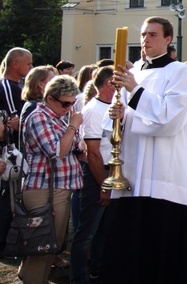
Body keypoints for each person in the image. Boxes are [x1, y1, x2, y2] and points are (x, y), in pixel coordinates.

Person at [101, 16, 187, 283]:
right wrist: (118, 114)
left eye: (153, 35)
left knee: (158, 243)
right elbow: (129, 121)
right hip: (132, 168)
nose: (145, 40)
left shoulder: (179, 71)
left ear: (168, 39)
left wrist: (133, 90)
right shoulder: (136, 73)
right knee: (127, 243)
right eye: (143, 35)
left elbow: (169, 118)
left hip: (161, 172)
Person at [18, 75, 84, 283]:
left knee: (49, 246)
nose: (69, 108)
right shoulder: (39, 118)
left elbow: (72, 149)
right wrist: (73, 126)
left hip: (56, 189)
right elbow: (57, 151)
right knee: (43, 247)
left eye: (72, 103)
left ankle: (32, 276)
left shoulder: (56, 117)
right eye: (65, 104)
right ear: (50, 98)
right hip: (44, 190)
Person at [70, 67, 115, 284]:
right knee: (87, 231)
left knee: (105, 230)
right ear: (109, 85)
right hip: (98, 174)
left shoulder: (112, 107)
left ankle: (98, 270)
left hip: (110, 172)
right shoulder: (94, 110)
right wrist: (104, 185)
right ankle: (78, 277)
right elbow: (93, 153)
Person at [0, 47, 33, 251]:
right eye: (28, 63)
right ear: (15, 64)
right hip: (8, 150)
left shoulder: (17, 85)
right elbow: (15, 119)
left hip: (11, 150)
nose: (31, 67)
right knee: (7, 198)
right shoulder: (7, 86)